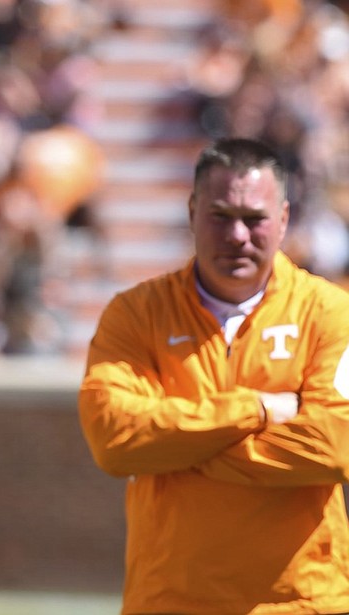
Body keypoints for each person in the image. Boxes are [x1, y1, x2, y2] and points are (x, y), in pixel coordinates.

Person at [79, 138, 349, 614]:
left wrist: (179, 450)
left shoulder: (330, 313)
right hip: (170, 600)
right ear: (191, 213)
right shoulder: (135, 315)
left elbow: (334, 444)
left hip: (301, 602)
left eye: (255, 218)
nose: (238, 236)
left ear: (283, 218)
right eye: (220, 216)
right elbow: (115, 439)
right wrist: (258, 409)